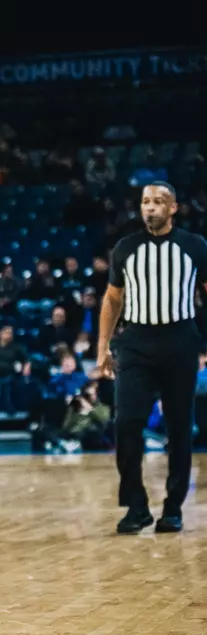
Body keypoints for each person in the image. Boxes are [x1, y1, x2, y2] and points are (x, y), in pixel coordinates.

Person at [97, 182, 207, 534]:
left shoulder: (194, 246)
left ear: (173, 208)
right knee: (126, 423)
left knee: (179, 428)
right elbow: (112, 299)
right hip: (136, 342)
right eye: (146, 202)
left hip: (180, 340)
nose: (151, 208)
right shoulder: (125, 248)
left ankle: (173, 507)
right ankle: (137, 506)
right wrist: (102, 348)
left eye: (159, 202)